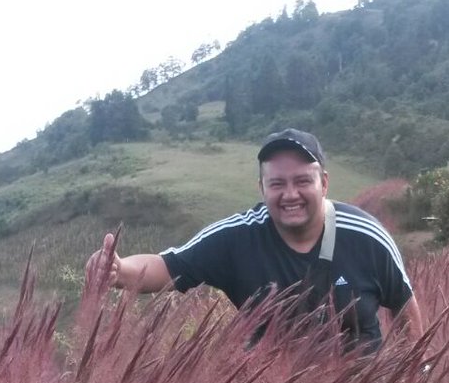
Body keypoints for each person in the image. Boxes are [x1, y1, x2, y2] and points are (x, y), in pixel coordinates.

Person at [86, 128, 423, 350]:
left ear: (324, 183)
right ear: (261, 189)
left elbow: (405, 306)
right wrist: (121, 270)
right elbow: (167, 265)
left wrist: (413, 380)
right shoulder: (237, 237)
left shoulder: (367, 236)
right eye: (277, 184)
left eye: (302, 181)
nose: (290, 194)